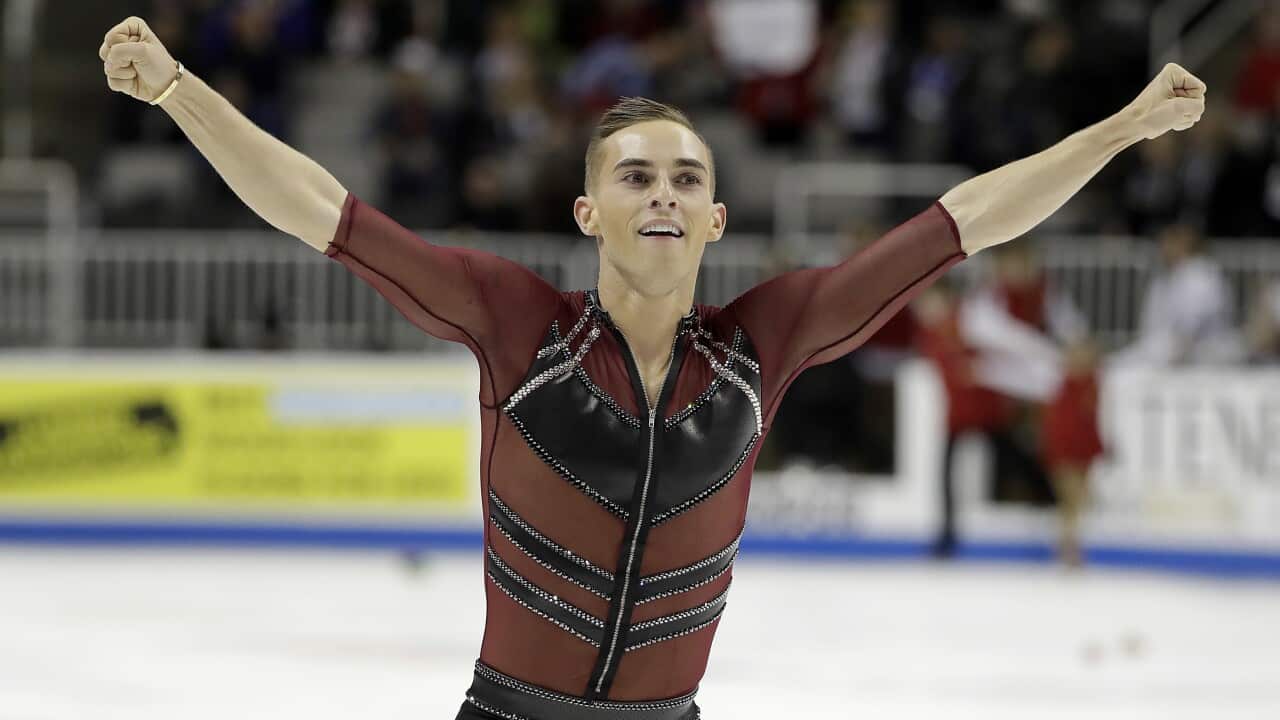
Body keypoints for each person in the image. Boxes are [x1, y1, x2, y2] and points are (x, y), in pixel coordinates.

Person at [99, 15, 1207, 719]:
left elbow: (962, 221)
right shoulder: (512, 323)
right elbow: (320, 212)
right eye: (635, 177)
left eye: (685, 177)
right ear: (587, 209)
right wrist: (179, 91)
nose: (663, 194)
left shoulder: (760, 346)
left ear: (718, 216)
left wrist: (1117, 129)